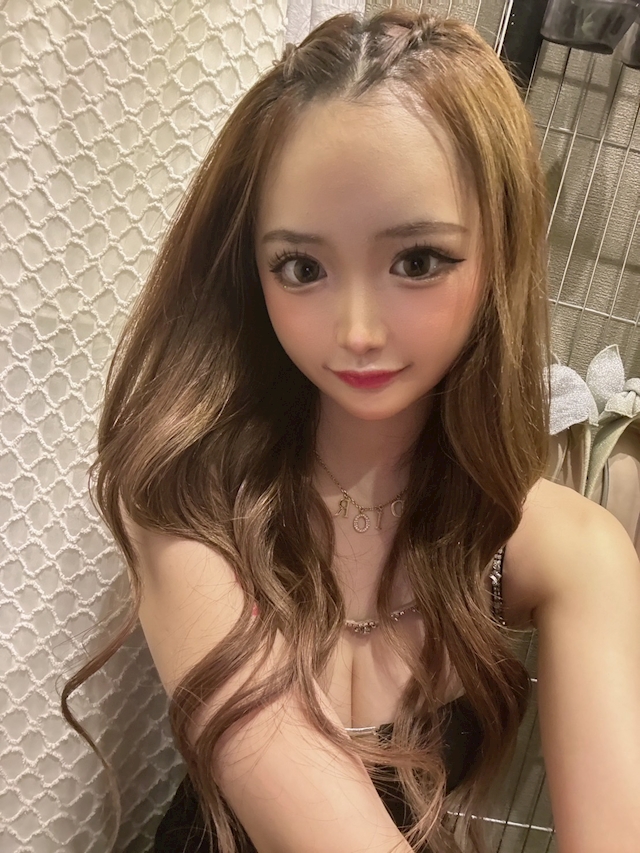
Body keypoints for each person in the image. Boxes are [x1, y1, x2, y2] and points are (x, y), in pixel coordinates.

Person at [65, 7, 640, 853]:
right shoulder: (194, 504)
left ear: (499, 256)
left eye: (418, 261)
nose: (359, 331)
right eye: (303, 268)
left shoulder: (567, 549)